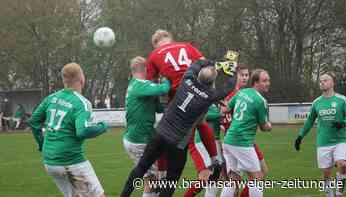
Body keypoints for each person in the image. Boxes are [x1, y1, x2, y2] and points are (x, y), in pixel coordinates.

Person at [121, 59, 237, 197]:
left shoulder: (186, 80)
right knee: (171, 181)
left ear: (198, 76)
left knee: (141, 168)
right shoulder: (210, 96)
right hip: (178, 143)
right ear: (212, 83)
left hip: (160, 133)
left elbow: (195, 65)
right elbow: (228, 88)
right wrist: (232, 70)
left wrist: (213, 62)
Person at [28, 63, 108, 197]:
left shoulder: (51, 98)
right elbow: (82, 131)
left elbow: (34, 121)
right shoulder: (82, 103)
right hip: (71, 161)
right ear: (82, 79)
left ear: (64, 80)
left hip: (50, 162)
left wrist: (41, 143)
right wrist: (102, 127)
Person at [146, 29, 218, 179]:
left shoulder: (154, 55)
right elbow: (209, 68)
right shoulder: (187, 46)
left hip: (179, 99)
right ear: (171, 39)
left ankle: (163, 173)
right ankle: (214, 158)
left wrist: (162, 92)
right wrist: (210, 92)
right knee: (201, 122)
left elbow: (150, 85)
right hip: (199, 91)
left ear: (155, 44)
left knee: (165, 134)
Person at [294, 72, 346, 197]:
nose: (322, 82)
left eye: (325, 80)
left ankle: (339, 192)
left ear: (332, 83)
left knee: (342, 164)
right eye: (321, 81)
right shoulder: (316, 102)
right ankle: (329, 194)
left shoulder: (342, 100)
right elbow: (309, 122)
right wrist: (300, 136)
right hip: (323, 142)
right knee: (326, 173)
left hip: (339, 141)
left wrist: (343, 123)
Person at [123, 56, 170, 197]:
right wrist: (166, 76)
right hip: (139, 140)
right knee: (151, 181)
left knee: (152, 180)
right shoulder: (139, 84)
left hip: (138, 138)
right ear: (145, 69)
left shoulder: (136, 84)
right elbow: (164, 88)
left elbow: (158, 108)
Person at [222, 69, 272, 197]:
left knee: (234, 179)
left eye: (268, 80)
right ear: (256, 82)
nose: (268, 83)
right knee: (257, 177)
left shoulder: (242, 92)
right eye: (264, 81)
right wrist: (269, 126)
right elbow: (264, 127)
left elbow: (226, 108)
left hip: (228, 141)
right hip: (242, 142)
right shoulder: (260, 101)